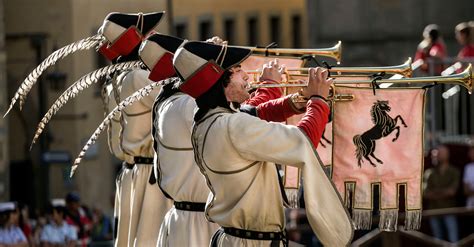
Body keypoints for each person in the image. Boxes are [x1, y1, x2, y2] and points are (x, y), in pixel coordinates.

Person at [172, 41, 353, 246]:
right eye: (238, 71)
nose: (248, 76)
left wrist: (298, 100)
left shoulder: (208, 120)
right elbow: (303, 142)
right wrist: (318, 99)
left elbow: (254, 112)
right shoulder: (233, 126)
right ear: (221, 80)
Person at [148, 35, 288, 246]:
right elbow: (243, 116)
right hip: (199, 224)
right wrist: (270, 86)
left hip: (196, 218)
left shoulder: (173, 101)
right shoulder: (185, 105)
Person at [96, 11, 171, 247]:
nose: (156, 36)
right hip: (150, 177)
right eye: (148, 34)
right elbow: (185, 100)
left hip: (133, 173)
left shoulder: (114, 80)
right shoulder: (139, 78)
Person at [423, 145, 460, 242]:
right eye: (434, 154)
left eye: (438, 154)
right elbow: (426, 193)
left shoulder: (454, 171)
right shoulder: (429, 173)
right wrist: (444, 192)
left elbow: (452, 192)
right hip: (433, 211)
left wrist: (435, 192)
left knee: (454, 240)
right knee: (437, 241)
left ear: (446, 155)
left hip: (449, 210)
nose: (434, 156)